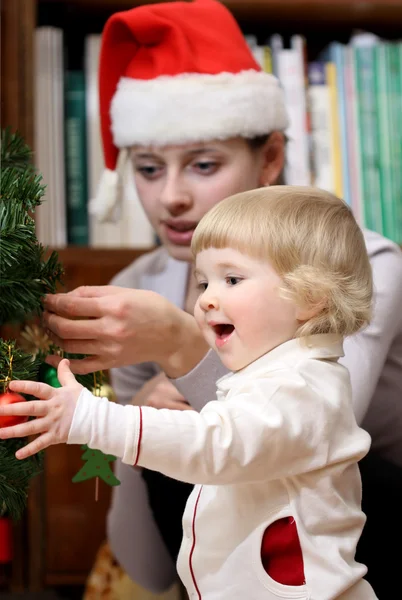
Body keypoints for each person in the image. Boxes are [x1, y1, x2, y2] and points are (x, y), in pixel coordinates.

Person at [29, 0, 402, 597]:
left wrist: (179, 344)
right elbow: (152, 569)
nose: (172, 197)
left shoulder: (354, 265)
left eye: (203, 164)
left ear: (271, 158)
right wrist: (135, 431)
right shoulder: (136, 288)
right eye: (149, 169)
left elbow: (304, 434)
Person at [0, 186, 378, 600]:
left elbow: (213, 445)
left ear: (309, 297)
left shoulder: (300, 388)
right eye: (204, 282)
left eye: (232, 279)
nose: (207, 299)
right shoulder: (274, 377)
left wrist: (93, 419)